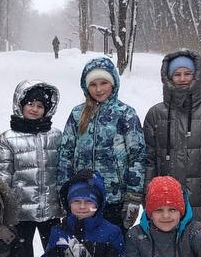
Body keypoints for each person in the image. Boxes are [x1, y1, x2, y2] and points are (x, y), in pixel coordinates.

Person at [0, 79, 62, 257]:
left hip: (51, 210)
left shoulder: (56, 136)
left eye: (40, 106)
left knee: (54, 255)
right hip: (20, 212)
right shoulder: (8, 139)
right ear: (19, 105)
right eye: (30, 104)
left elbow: (62, 172)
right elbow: (2, 178)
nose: (34, 109)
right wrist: (4, 210)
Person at [142, 50, 201, 235]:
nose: (182, 78)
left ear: (197, 76)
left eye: (187, 73)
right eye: (177, 74)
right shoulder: (156, 114)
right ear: (168, 77)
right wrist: (147, 193)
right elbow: (149, 159)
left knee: (198, 249)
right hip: (164, 202)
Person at [56, 56, 146, 230]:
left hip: (115, 200)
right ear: (86, 86)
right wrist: (64, 192)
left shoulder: (126, 114)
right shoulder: (77, 114)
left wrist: (133, 196)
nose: (98, 89)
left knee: (113, 250)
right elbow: (65, 155)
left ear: (113, 83)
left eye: (103, 83)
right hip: (82, 198)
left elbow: (137, 156)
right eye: (93, 84)